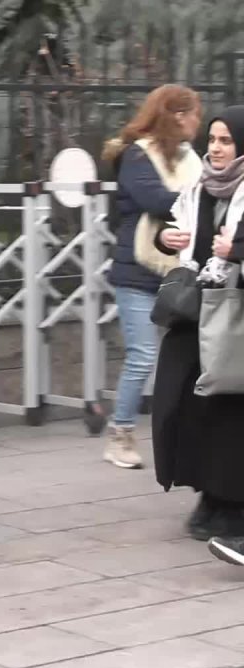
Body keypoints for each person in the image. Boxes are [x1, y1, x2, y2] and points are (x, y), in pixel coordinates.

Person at [152, 107, 244, 541]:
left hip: (234, 319)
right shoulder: (200, 189)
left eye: (226, 141)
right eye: (213, 140)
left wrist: (236, 251)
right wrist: (164, 238)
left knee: (227, 413)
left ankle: (227, 505)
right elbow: (181, 231)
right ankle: (209, 493)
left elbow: (231, 248)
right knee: (179, 402)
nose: (217, 148)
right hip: (196, 312)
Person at [101, 84, 203, 470]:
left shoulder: (190, 158)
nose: (199, 121)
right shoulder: (136, 156)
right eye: (195, 113)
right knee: (143, 355)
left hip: (182, 269)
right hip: (138, 269)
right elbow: (157, 200)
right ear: (178, 115)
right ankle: (120, 434)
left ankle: (187, 433)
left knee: (191, 356)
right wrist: (201, 198)